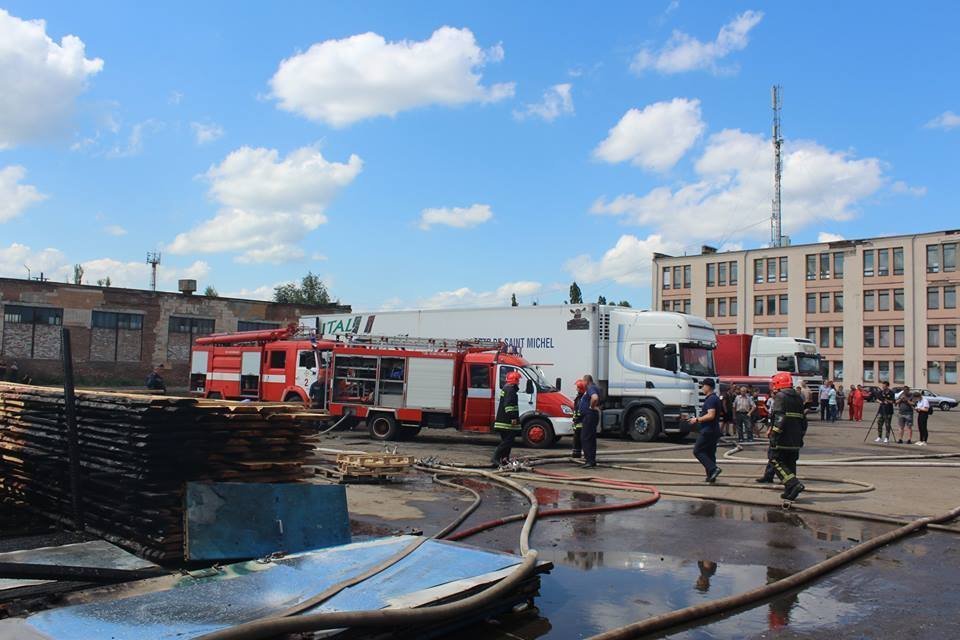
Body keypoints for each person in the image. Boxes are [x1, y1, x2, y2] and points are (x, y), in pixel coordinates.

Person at [767, 371, 808, 501]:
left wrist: (774, 434)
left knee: (775, 460)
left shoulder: (781, 396)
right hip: (796, 438)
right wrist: (801, 435)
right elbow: (803, 420)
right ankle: (790, 490)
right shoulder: (798, 397)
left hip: (783, 437)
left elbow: (780, 417)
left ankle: (793, 484)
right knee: (790, 463)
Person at [688, 378, 722, 483]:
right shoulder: (715, 398)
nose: (702, 388)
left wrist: (697, 419)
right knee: (710, 453)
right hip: (714, 430)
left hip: (708, 430)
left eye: (703, 386)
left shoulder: (711, 399)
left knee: (697, 451)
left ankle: (713, 469)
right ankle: (711, 476)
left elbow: (711, 415)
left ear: (708, 386)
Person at [491, 370, 522, 466]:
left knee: (507, 442)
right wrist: (513, 417)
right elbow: (509, 405)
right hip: (507, 422)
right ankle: (495, 458)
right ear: (515, 380)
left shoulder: (506, 389)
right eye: (518, 380)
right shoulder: (510, 390)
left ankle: (504, 460)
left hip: (503, 421)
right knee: (507, 442)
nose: (519, 382)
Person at [578, 374, 601, 468]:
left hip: (589, 416)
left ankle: (589, 461)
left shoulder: (591, 388)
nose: (582, 383)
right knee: (590, 438)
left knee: (585, 438)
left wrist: (591, 406)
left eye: (583, 381)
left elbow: (594, 397)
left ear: (587, 381)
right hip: (591, 416)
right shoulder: (594, 387)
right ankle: (591, 460)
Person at [570, 378, 586, 458]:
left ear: (580, 389)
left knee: (578, 440)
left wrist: (577, 418)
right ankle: (576, 453)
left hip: (579, 423)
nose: (576, 388)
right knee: (577, 439)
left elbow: (579, 410)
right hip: (578, 422)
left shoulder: (581, 398)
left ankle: (577, 454)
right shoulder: (579, 398)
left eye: (578, 387)